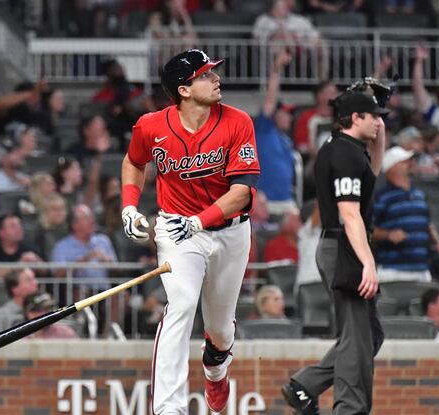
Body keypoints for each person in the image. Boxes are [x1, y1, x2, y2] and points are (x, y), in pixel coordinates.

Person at [120, 49, 259, 413]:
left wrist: (199, 220)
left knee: (221, 330)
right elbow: (134, 162)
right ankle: (169, 409)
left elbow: (241, 192)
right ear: (184, 89)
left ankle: (216, 368)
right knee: (180, 306)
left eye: (213, 73)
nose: (215, 79)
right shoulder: (150, 125)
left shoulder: (237, 120)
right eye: (205, 75)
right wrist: (130, 206)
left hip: (229, 230)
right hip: (177, 230)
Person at [282, 88, 388, 414]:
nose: (379, 123)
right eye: (373, 117)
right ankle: (349, 409)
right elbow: (349, 213)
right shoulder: (345, 154)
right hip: (344, 244)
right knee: (357, 339)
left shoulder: (344, 147)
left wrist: (376, 120)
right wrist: (367, 263)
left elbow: (372, 171)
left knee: (369, 335)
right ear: (356, 118)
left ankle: (305, 385)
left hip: (340, 243)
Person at [372, 146, 439, 283]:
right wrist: (387, 235)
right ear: (392, 167)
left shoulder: (419, 194)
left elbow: (427, 223)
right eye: (404, 161)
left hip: (422, 268)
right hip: (393, 269)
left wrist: (437, 241)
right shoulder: (382, 197)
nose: (410, 163)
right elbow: (366, 228)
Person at [254, 49, 297, 215]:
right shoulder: (264, 129)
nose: (289, 117)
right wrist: (276, 68)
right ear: (274, 114)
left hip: (286, 200)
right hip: (266, 202)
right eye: (285, 113)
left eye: (290, 114)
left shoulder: (286, 139)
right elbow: (270, 99)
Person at [0, 214, 44, 279]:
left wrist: (37, 261)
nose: (19, 228)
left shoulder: (30, 249)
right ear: (1, 233)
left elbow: (47, 272)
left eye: (19, 224)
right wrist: (20, 265)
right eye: (13, 226)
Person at [0, 268, 38, 336]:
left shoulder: (42, 310)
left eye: (34, 279)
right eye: (29, 280)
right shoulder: (2, 314)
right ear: (15, 289)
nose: (36, 283)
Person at [293, 80, 338, 157]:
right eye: (331, 93)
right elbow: (299, 145)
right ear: (320, 95)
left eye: (335, 93)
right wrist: (308, 149)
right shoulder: (306, 117)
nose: (335, 96)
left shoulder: (340, 117)